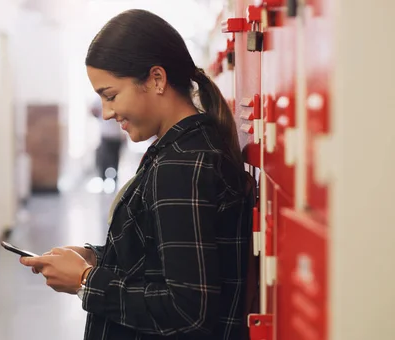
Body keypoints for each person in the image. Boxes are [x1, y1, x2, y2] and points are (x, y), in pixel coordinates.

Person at [20, 9, 255, 340]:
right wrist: (95, 256)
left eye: (111, 95)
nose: (106, 113)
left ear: (156, 79)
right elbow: (160, 259)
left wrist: (86, 280)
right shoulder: (183, 150)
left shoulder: (181, 166)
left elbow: (187, 311)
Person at [91, 98, 125, 182]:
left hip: (117, 135)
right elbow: (92, 110)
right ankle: (103, 179)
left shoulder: (118, 98)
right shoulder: (99, 99)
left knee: (115, 160)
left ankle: (115, 180)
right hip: (106, 135)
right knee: (104, 159)